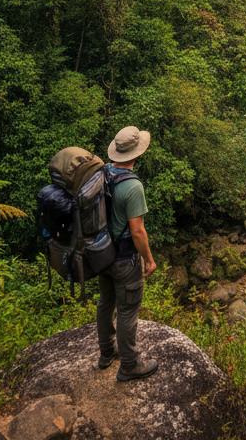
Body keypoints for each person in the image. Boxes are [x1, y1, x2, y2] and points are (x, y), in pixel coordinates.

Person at [97, 125, 158, 381]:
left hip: (101, 254)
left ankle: (106, 353)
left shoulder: (102, 173)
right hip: (123, 259)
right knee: (127, 310)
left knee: (106, 302)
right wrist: (149, 259)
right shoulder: (133, 186)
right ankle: (130, 365)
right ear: (137, 153)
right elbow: (137, 232)